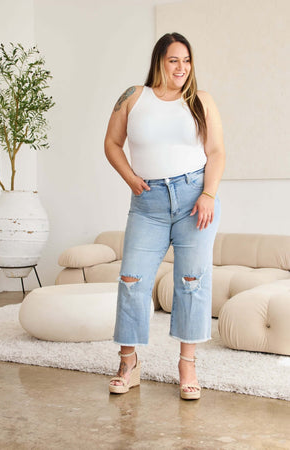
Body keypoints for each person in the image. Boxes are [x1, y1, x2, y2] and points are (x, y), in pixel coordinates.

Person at [104, 32, 225, 400]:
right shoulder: (133, 97)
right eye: (174, 60)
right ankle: (129, 364)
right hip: (148, 202)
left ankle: (187, 364)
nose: (182, 68)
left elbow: (217, 151)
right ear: (159, 60)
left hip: (194, 199)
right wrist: (130, 177)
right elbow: (111, 143)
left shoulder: (200, 101)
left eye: (187, 61)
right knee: (131, 279)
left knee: (191, 281)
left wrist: (208, 194)